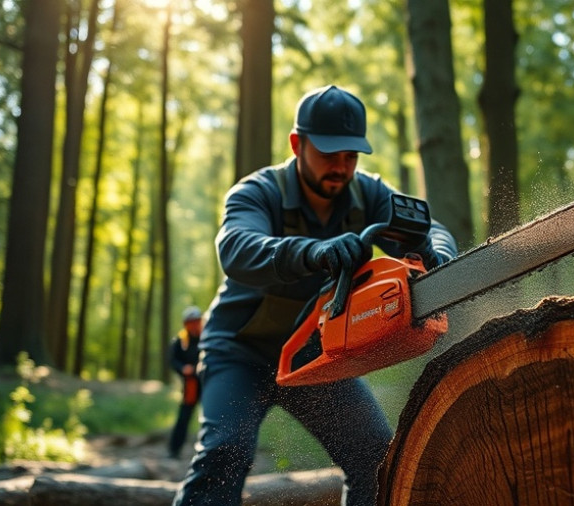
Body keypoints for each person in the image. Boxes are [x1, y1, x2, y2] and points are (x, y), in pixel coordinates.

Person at [172, 85, 457, 506]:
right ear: (297, 144)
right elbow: (235, 247)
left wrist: (435, 255)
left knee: (378, 459)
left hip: (316, 354)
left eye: (350, 156)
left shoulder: (368, 193)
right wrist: (312, 252)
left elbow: (429, 228)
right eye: (328, 154)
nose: (341, 167)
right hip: (239, 351)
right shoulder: (259, 192)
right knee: (225, 452)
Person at [168, 306, 203, 459]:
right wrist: (183, 368)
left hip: (208, 384)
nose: (194, 325)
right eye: (191, 322)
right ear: (185, 324)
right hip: (190, 386)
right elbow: (172, 360)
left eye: (197, 321)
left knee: (211, 417)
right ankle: (174, 451)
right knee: (183, 418)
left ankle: (210, 452)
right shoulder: (180, 341)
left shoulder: (207, 338)